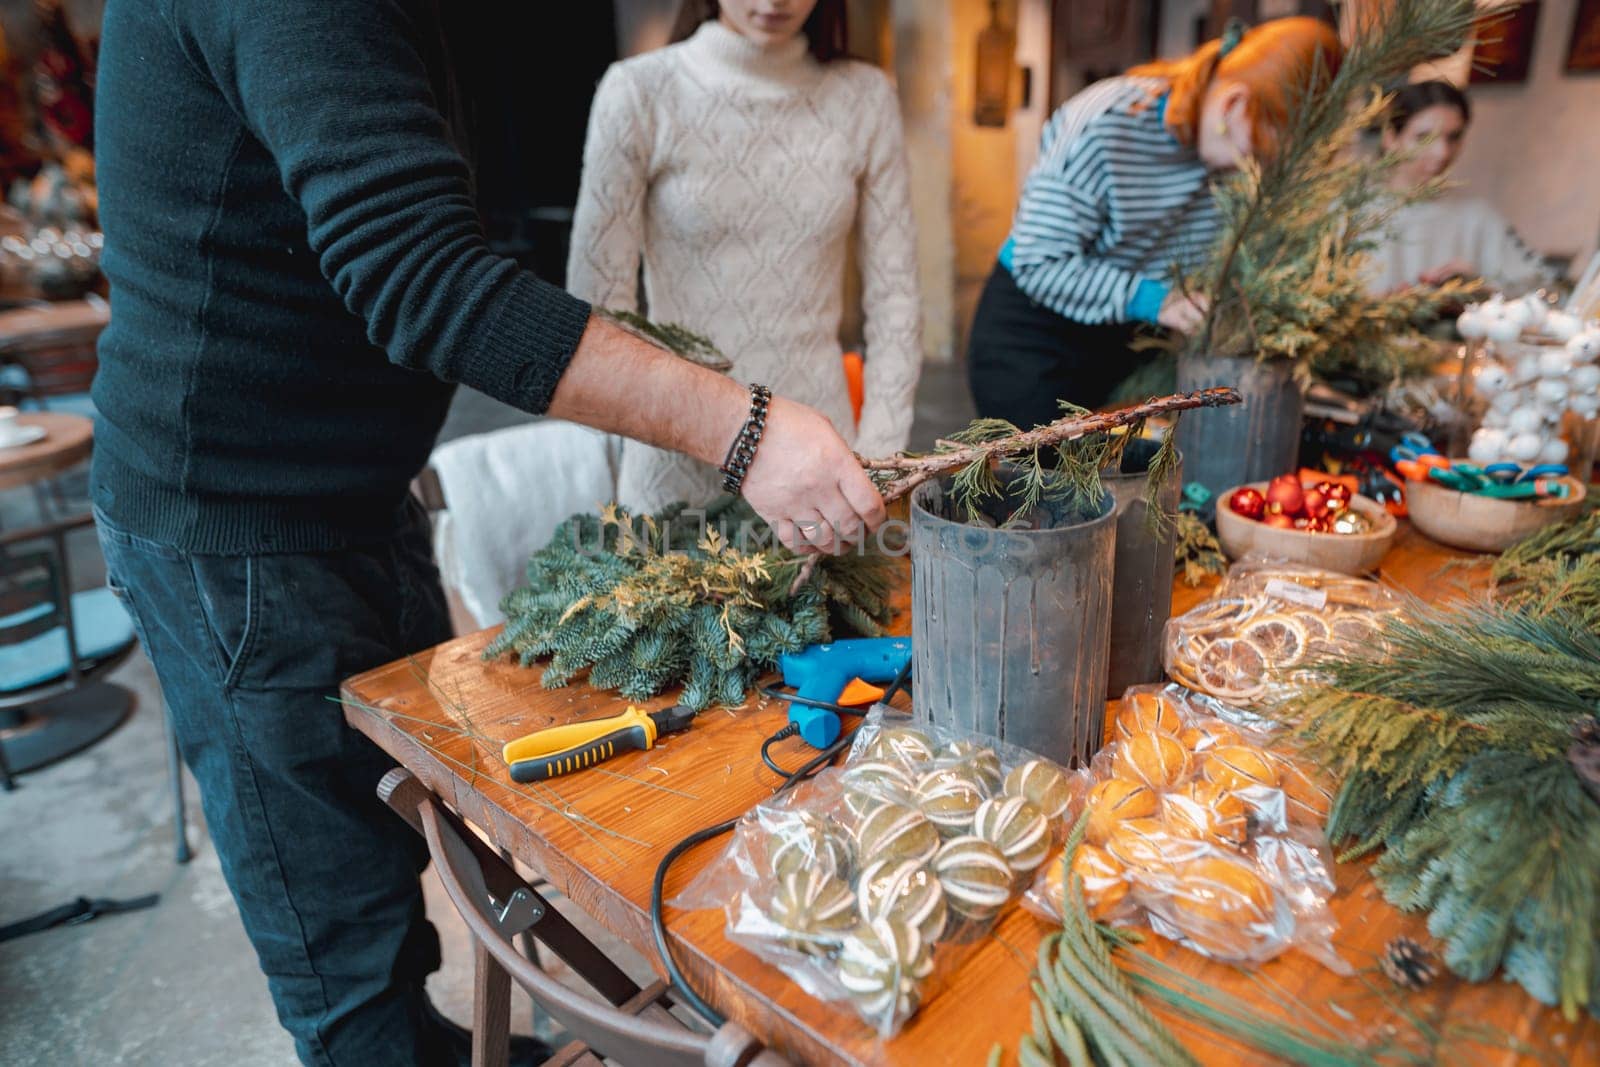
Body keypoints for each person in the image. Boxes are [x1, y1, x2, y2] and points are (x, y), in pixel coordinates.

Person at [89, 2, 884, 1065]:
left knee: (408, 840)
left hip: (351, 497)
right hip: (236, 535)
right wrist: (745, 426)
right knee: (345, 951)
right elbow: (419, 276)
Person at [568, 0, 921, 512]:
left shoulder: (865, 96)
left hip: (821, 464)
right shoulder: (639, 91)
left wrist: (878, 460)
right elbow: (599, 309)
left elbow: (897, 301)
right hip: (674, 466)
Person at [966, 17, 1342, 428]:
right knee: (1045, 485)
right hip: (1036, 341)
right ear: (1234, 104)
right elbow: (1039, 263)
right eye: (1258, 154)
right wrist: (1158, 300)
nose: (1252, 170)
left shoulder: (1223, 153)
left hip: (1125, 342)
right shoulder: (1107, 123)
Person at [1366, 79, 1549, 296]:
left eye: (1454, 137)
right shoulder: (1347, 214)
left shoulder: (1477, 216)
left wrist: (1480, 288)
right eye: (1424, 138)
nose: (1442, 152)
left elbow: (1542, 289)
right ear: (1390, 138)